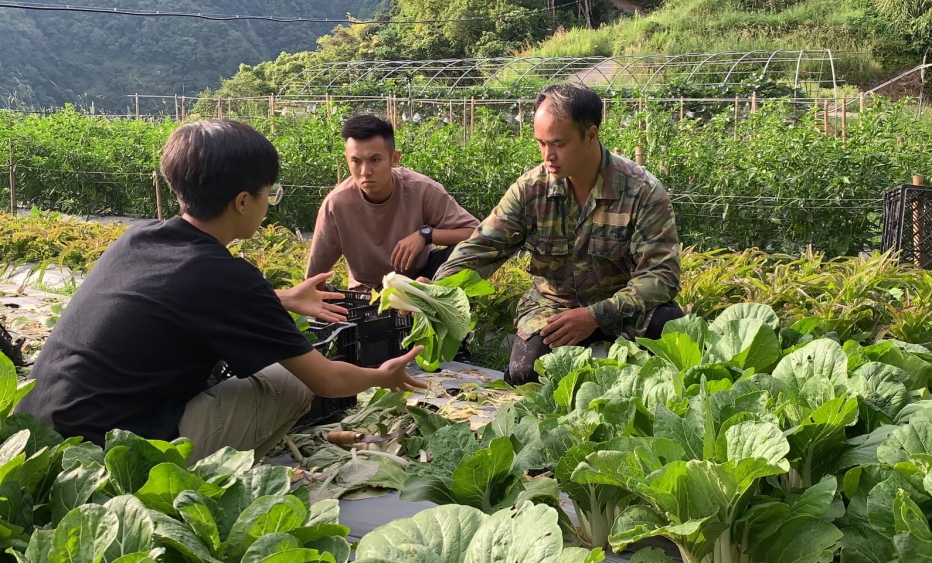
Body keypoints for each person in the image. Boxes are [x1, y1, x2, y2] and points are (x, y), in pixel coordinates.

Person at [15, 119, 426, 463]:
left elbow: (177, 302)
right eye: (271, 193)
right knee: (290, 383)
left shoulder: (139, 238)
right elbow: (326, 380)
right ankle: (208, 476)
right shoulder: (228, 278)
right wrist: (379, 376)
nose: (270, 203)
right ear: (243, 201)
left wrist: (280, 298)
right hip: (110, 454)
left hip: (39, 433)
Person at [434, 83, 684, 385]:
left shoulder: (640, 190)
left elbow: (661, 276)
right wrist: (436, 291)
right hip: (556, 307)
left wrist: (595, 316)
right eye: (540, 143)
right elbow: (483, 246)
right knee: (527, 375)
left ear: (590, 135)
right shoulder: (531, 189)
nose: (547, 155)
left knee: (671, 337)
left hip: (624, 307)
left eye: (558, 144)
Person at [306, 114, 480, 291]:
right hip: (369, 292)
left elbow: (477, 233)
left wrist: (425, 235)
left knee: (466, 253)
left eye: (375, 160)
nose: (365, 172)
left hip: (422, 280)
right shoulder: (336, 205)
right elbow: (313, 278)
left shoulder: (421, 190)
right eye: (356, 161)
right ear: (347, 160)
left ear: (394, 159)